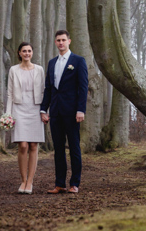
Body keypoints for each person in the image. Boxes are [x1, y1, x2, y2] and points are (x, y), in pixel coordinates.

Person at [40, 29, 89, 194]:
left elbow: (83, 88)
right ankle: (59, 183)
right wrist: (43, 109)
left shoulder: (78, 61)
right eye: (58, 40)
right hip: (55, 112)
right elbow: (49, 88)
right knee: (58, 149)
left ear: (69, 41)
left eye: (63, 40)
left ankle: (75, 183)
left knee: (74, 148)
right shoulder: (52, 63)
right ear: (55, 43)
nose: (61, 43)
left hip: (72, 112)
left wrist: (81, 110)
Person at [6, 42, 45, 194]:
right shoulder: (13, 70)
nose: (27, 53)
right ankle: (22, 180)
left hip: (35, 108)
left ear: (32, 53)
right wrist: (8, 114)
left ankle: (30, 182)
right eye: (24, 51)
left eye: (29, 51)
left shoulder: (39, 70)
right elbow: (9, 93)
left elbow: (44, 91)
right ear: (19, 53)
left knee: (34, 145)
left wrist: (44, 111)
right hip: (19, 108)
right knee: (22, 145)